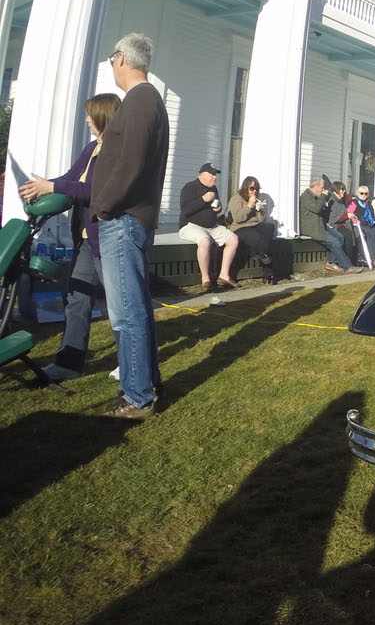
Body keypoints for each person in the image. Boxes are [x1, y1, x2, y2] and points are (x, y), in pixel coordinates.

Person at [90, 33, 170, 418]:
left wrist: (102, 206)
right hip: (127, 218)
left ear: (121, 58)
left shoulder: (140, 101)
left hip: (122, 219)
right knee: (135, 308)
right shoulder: (146, 100)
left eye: (111, 58)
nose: (111, 65)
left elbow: (130, 163)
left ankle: (137, 396)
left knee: (127, 313)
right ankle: (146, 383)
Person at [18, 92, 121, 381]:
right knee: (77, 299)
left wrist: (51, 187)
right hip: (86, 239)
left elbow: (94, 192)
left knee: (118, 305)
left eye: (91, 114)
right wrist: (41, 186)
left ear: (103, 116)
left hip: (107, 238)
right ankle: (68, 363)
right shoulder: (92, 148)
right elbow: (70, 180)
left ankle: (130, 362)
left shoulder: (115, 150)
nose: (87, 119)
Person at [178, 162, 239, 290]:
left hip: (212, 226)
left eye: (215, 174)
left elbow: (218, 205)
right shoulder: (190, 187)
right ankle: (205, 279)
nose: (214, 177)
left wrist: (218, 208)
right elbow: (186, 210)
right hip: (191, 225)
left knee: (233, 239)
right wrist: (203, 200)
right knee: (205, 241)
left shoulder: (213, 189)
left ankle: (224, 275)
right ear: (202, 175)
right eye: (212, 174)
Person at [298, 176, 356, 273]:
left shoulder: (316, 196)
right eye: (322, 188)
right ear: (315, 187)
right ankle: (348, 266)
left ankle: (331, 262)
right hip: (312, 228)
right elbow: (316, 208)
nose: (323, 190)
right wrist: (323, 197)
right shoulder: (306, 197)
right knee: (334, 242)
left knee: (340, 237)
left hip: (321, 225)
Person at [228, 176, 277, 284]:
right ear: (245, 188)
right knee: (259, 240)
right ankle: (268, 274)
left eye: (257, 188)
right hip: (240, 228)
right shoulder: (237, 198)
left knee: (269, 227)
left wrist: (260, 211)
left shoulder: (256, 199)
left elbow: (260, 220)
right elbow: (238, 219)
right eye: (252, 188)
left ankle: (260, 254)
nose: (254, 191)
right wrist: (249, 205)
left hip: (254, 226)